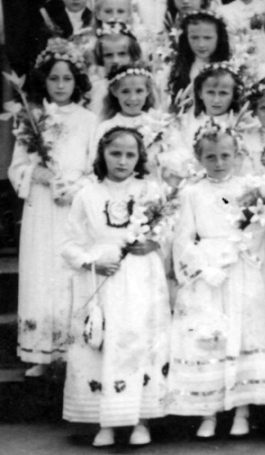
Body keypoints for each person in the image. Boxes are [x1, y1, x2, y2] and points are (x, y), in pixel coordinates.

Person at [61, 127, 170, 447]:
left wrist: (154, 243)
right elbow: (70, 243)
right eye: (115, 153)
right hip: (104, 277)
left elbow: (170, 231)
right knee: (104, 342)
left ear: (140, 158)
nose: (122, 161)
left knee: (140, 342)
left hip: (142, 277)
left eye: (130, 155)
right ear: (102, 155)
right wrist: (90, 262)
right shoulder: (87, 195)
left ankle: (141, 420)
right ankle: (105, 422)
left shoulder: (150, 190)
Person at [168, 119, 265, 438]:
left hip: (240, 268)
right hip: (208, 275)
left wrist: (239, 250)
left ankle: (242, 410)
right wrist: (203, 268)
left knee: (242, 333)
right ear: (199, 159)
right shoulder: (191, 193)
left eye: (225, 156)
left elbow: (259, 228)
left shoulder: (249, 189)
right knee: (210, 336)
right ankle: (208, 412)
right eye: (211, 157)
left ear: (237, 156)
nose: (218, 163)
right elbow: (182, 239)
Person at [9, 46, 96, 378]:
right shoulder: (32, 119)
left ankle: (72, 351)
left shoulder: (89, 120)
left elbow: (95, 167)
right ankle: (40, 352)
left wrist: (74, 188)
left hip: (74, 204)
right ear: (43, 81)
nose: (60, 85)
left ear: (78, 82)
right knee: (42, 271)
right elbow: (18, 166)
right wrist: (37, 173)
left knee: (69, 271)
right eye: (54, 79)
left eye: (67, 79)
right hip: (42, 206)